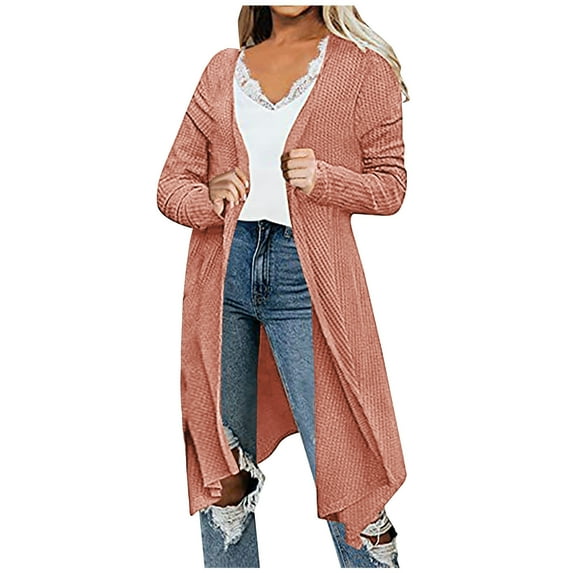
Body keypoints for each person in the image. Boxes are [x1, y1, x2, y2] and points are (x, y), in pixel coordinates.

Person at [157, 5, 409, 568]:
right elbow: (171, 185)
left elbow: (391, 185)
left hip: (309, 278)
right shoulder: (223, 69)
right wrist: (208, 196)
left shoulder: (363, 69)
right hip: (223, 273)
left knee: (345, 463)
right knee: (224, 472)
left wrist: (327, 179)